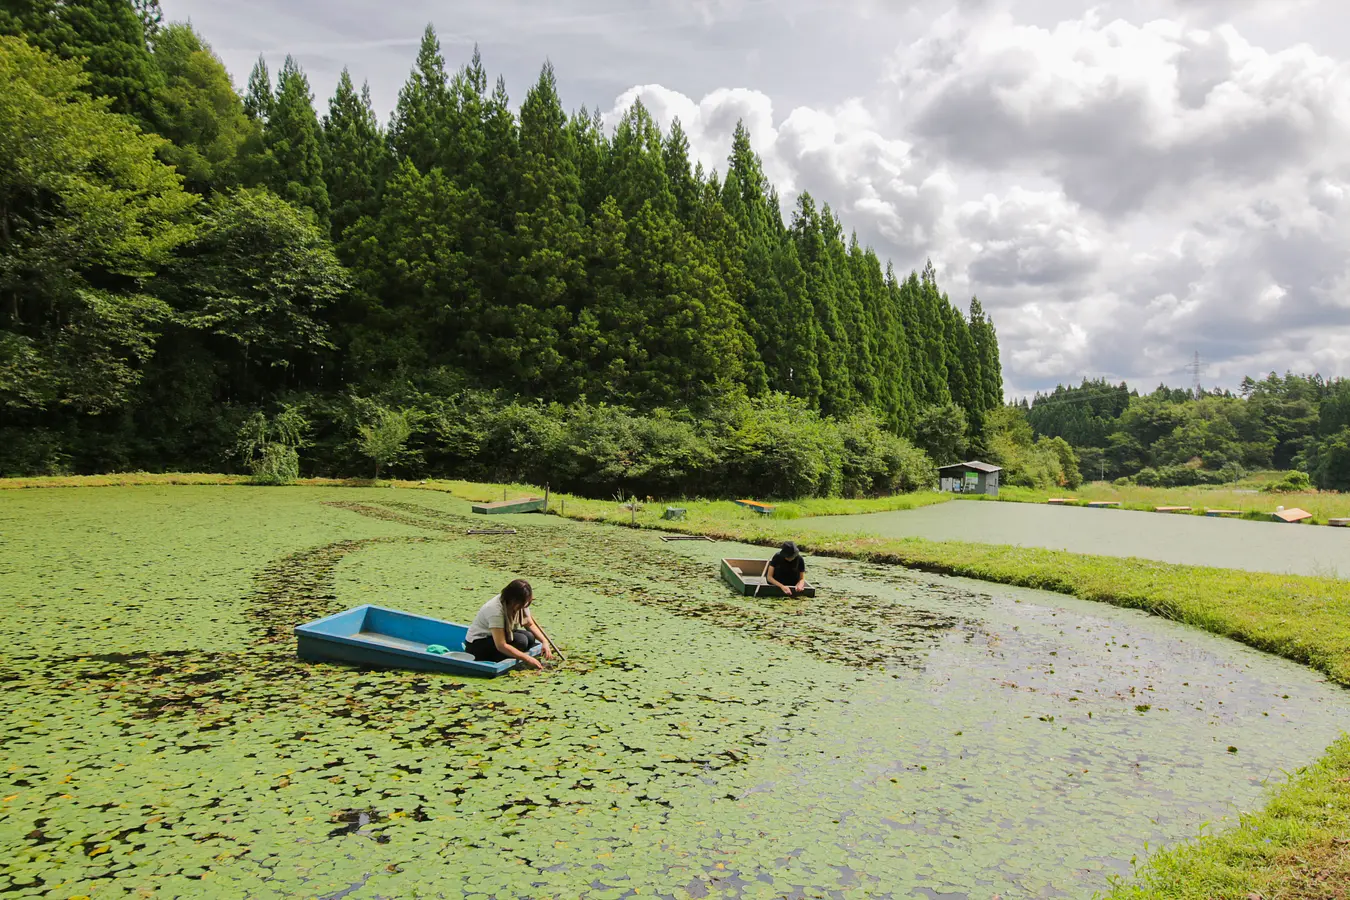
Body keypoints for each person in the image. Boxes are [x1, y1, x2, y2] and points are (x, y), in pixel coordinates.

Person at [464, 578, 554, 670]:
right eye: (521, 604)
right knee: (521, 641)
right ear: (513, 600)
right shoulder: (495, 610)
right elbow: (501, 645)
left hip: (495, 639)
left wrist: (544, 641)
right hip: (478, 645)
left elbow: (530, 624)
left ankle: (513, 656)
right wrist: (527, 658)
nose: (523, 607)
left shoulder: (520, 604)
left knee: (530, 637)